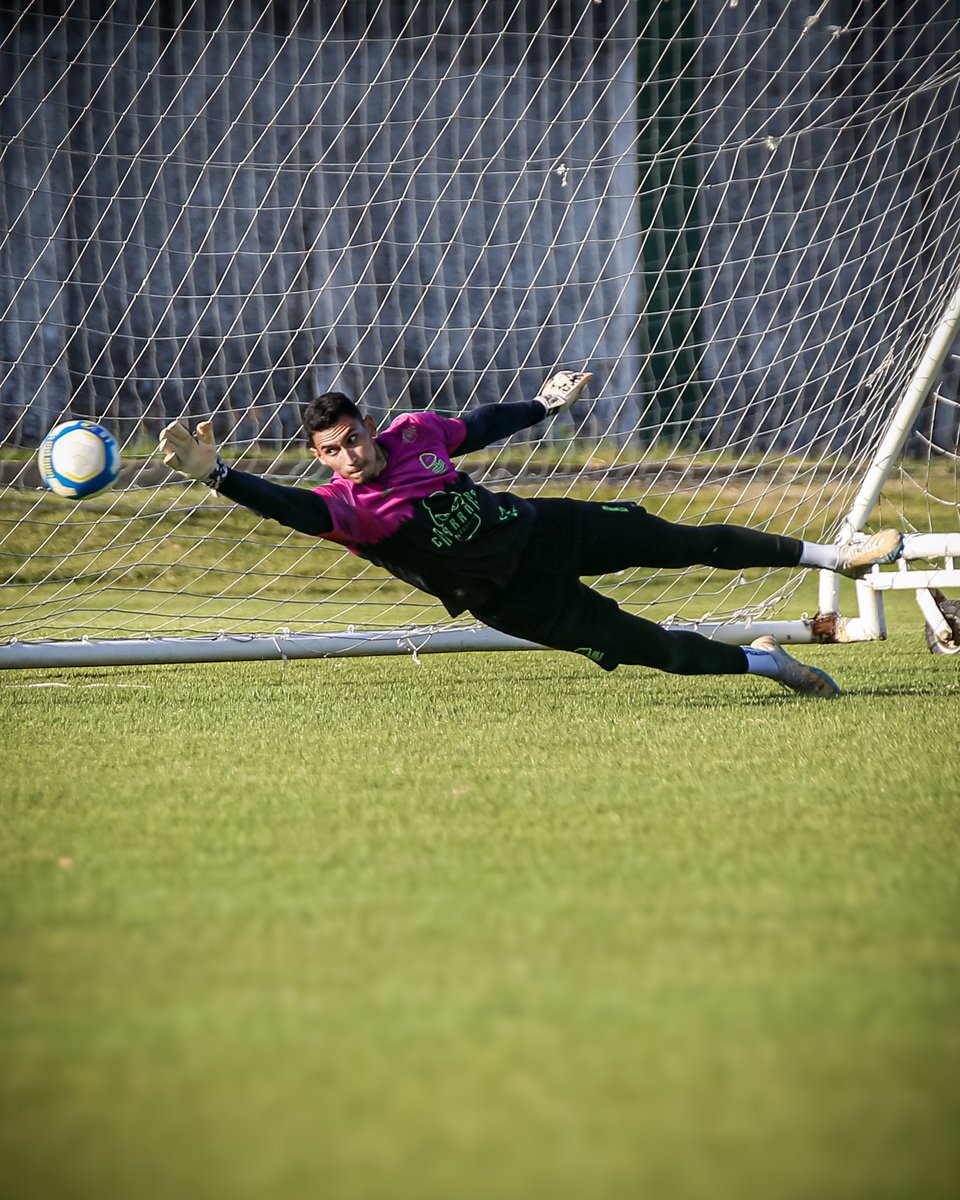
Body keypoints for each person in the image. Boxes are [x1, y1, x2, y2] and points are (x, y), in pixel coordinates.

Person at [159, 372, 903, 698]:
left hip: (545, 529)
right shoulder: (350, 510)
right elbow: (292, 509)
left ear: (367, 425)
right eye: (332, 451)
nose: (349, 454)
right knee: (655, 649)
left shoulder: (416, 433)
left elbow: (477, 425)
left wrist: (541, 408)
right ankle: (765, 666)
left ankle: (840, 556)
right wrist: (219, 475)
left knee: (686, 540)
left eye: (353, 437)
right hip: (510, 598)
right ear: (319, 458)